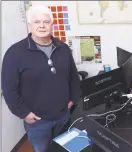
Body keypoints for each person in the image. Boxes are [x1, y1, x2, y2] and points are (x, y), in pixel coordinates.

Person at [1, 5, 81, 152]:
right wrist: (24, 113)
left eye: (46, 22)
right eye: (37, 22)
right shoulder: (15, 53)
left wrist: (72, 99)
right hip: (37, 122)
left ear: (52, 25)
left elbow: (73, 77)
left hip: (64, 116)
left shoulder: (63, 48)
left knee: (65, 149)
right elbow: (9, 89)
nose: (42, 25)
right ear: (30, 25)